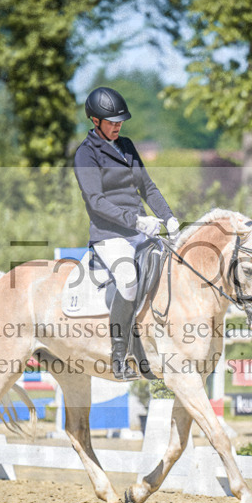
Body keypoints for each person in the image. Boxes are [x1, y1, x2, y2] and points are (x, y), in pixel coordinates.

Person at [73, 86, 180, 380]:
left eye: (121, 120)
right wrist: (136, 221)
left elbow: (148, 187)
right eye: (112, 121)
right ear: (95, 121)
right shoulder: (86, 154)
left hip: (139, 228)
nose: (118, 125)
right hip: (109, 235)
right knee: (129, 281)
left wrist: (169, 218)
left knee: (172, 267)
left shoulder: (128, 145)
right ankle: (121, 356)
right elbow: (95, 201)